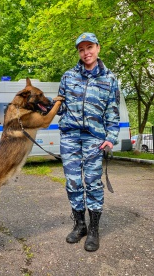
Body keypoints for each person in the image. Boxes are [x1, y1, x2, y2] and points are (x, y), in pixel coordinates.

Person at [57, 32, 120, 252]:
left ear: (98, 48)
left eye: (89, 47)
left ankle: (94, 229)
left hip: (95, 138)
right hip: (70, 137)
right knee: (73, 182)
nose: (86, 53)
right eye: (82, 49)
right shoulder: (68, 77)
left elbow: (113, 113)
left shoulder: (110, 79)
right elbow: (60, 107)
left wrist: (111, 138)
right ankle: (80, 225)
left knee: (93, 183)